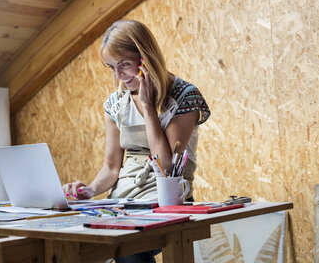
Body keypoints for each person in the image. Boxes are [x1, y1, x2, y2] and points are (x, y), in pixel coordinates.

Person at [63, 19, 210, 263]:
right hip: (124, 201)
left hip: (166, 200)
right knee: (75, 245)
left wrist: (148, 106)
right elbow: (111, 167)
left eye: (125, 65)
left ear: (146, 59)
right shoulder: (115, 103)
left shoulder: (185, 96)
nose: (118, 75)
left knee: (128, 248)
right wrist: (89, 190)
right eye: (111, 67)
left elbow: (165, 165)